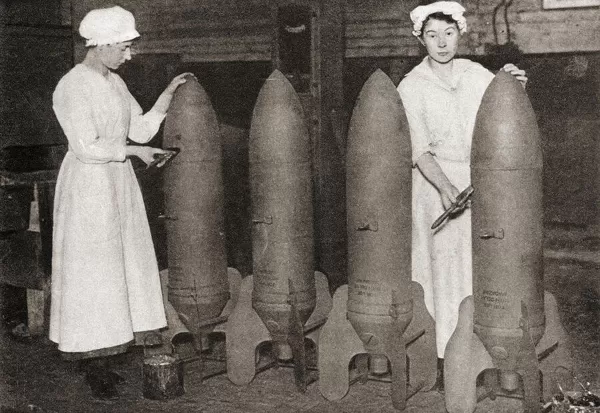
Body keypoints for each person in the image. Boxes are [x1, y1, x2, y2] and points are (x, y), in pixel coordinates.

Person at [49, 6, 193, 400]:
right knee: (95, 274)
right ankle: (94, 366)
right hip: (88, 186)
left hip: (117, 183)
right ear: (103, 43)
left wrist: (167, 95)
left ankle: (109, 356)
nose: (129, 55)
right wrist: (132, 152)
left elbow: (142, 129)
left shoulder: (114, 83)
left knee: (119, 269)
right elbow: (85, 147)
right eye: (125, 47)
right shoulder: (71, 86)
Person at [397, 1, 527, 392]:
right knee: (439, 275)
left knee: (478, 271)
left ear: (461, 34)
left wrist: (514, 83)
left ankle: (482, 354)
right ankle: (443, 364)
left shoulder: (475, 75)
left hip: (479, 185)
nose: (441, 43)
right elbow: (418, 150)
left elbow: (502, 108)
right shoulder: (411, 86)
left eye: (449, 33)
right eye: (432, 35)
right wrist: (446, 187)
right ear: (420, 38)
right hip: (434, 187)